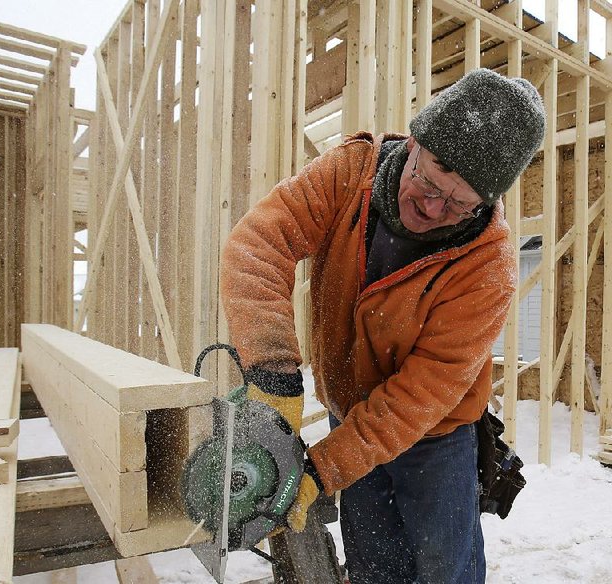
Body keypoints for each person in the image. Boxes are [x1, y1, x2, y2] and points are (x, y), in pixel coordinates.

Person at [221, 68, 545, 583]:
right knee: (373, 566)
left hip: (434, 435)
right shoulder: (351, 173)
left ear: (484, 203)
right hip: (349, 413)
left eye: (458, 203)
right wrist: (274, 370)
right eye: (429, 181)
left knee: (445, 570)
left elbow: (415, 398)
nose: (431, 208)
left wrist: (322, 469)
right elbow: (260, 244)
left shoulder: (487, 269)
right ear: (414, 142)